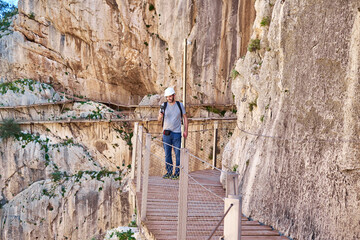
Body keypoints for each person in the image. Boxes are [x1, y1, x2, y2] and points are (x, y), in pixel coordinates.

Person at [158, 87, 188, 180]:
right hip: (166, 133)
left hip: (177, 133)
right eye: (167, 97)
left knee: (177, 153)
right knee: (167, 154)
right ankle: (169, 172)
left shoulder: (180, 105)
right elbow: (159, 120)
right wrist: (160, 116)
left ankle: (177, 173)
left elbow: (185, 118)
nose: (169, 98)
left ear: (174, 95)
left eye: (170, 96)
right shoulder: (164, 105)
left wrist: (186, 130)